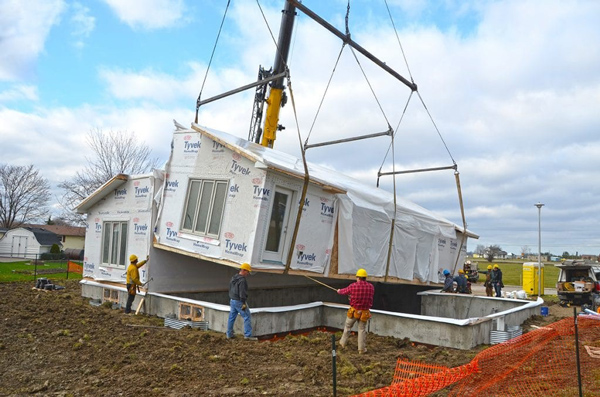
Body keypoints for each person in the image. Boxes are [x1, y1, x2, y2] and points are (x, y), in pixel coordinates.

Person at [337, 268, 375, 354]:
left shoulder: (353, 286)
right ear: (365, 277)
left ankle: (342, 344)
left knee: (347, 327)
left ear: (358, 277)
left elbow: (344, 291)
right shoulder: (371, 287)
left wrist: (339, 291)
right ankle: (361, 349)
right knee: (362, 330)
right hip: (364, 312)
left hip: (354, 312)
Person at [227, 263, 257, 340]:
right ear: (243, 270)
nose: (248, 273)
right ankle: (248, 335)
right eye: (247, 271)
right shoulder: (242, 280)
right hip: (239, 301)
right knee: (247, 316)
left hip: (232, 300)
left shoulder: (234, 277)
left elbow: (230, 288)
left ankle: (229, 334)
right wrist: (243, 302)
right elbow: (242, 292)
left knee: (231, 317)